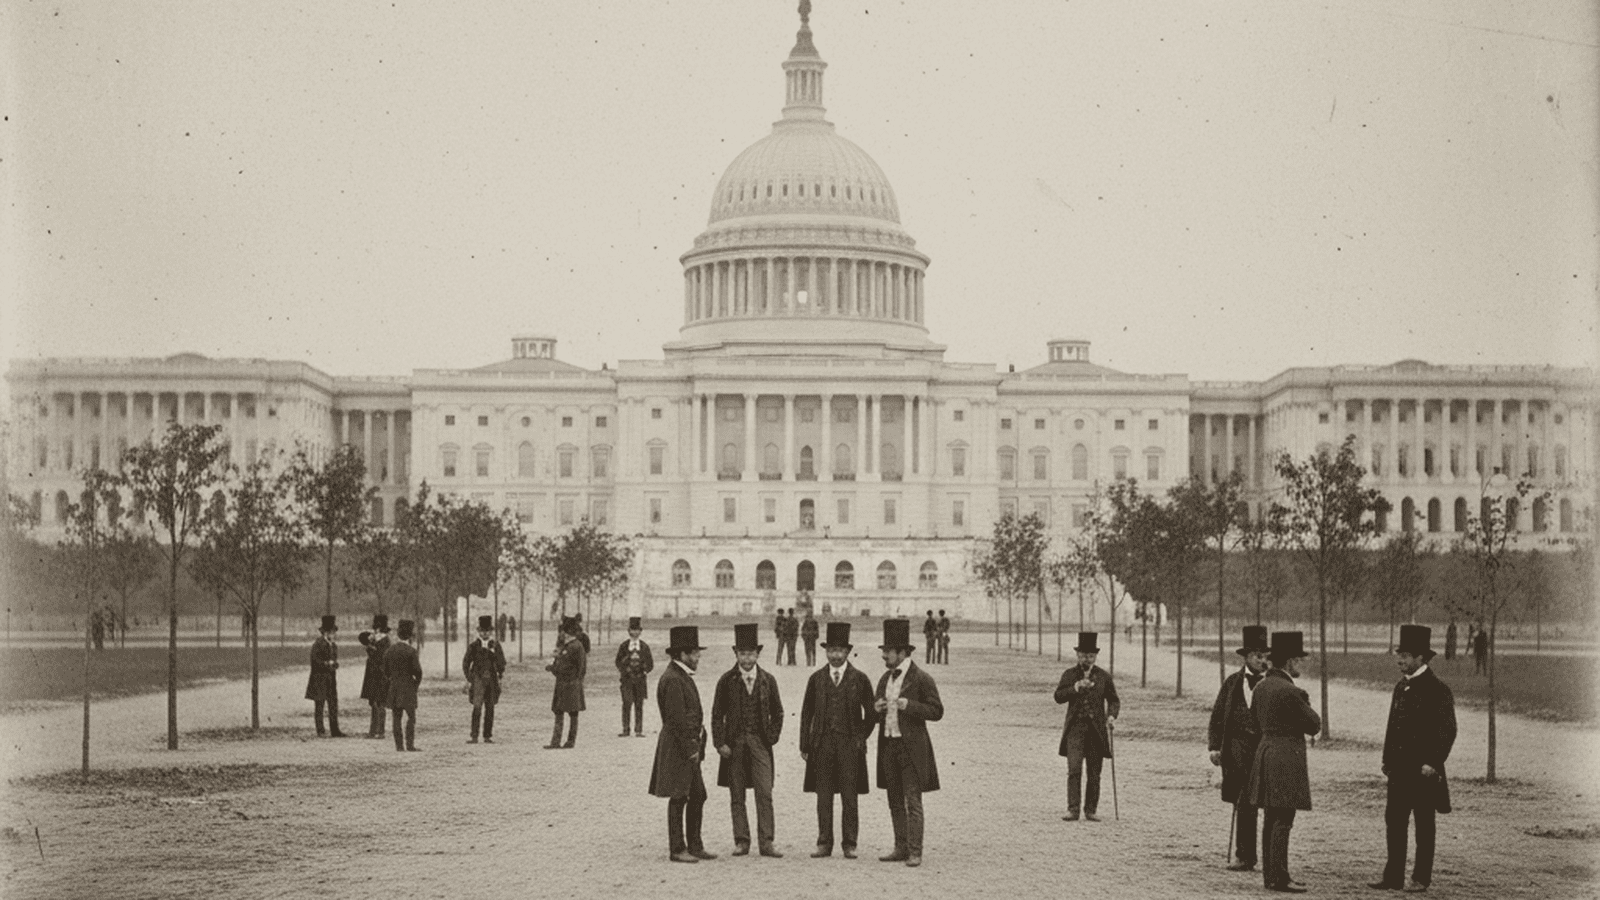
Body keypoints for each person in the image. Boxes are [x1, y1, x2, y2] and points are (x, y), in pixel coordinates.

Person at [1368, 625, 1457, 894]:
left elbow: (1448, 730)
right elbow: (1392, 726)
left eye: (1405, 655)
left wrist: (1433, 762)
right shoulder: (1400, 687)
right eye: (1399, 654)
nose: (1400, 660)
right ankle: (1393, 876)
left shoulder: (1438, 689)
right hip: (1398, 771)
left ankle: (1420, 878)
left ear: (1421, 658)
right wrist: (1387, 760)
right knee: (1394, 823)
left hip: (1423, 772)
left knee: (1423, 827)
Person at [1244, 631, 1321, 893]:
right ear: (1289, 662)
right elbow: (1314, 724)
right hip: (1286, 758)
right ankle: (1280, 877)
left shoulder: (1262, 687)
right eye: (1299, 659)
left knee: (1270, 818)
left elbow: (1253, 723)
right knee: (1284, 819)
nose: (1301, 664)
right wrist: (1305, 702)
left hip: (1265, 754)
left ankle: (1273, 875)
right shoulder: (1291, 691)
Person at [871, 617, 944, 868]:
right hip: (889, 746)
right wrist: (877, 707)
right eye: (884, 651)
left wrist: (910, 706)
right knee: (894, 801)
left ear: (902, 653)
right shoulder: (884, 679)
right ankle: (900, 847)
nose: (884, 656)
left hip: (912, 749)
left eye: (888, 652)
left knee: (913, 801)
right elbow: (875, 709)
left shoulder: (922, 678)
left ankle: (915, 851)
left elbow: (936, 711)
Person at [799, 621, 875, 859]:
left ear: (847, 652)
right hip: (821, 746)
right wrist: (805, 745)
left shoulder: (860, 679)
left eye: (839, 651)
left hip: (849, 747)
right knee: (823, 797)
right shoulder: (816, 679)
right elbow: (806, 713)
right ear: (826, 652)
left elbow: (871, 713)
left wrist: (860, 736)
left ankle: (849, 844)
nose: (835, 655)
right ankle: (824, 843)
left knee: (849, 797)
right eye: (831, 650)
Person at [712, 623, 786, 858]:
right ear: (736, 654)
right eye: (742, 653)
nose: (747, 658)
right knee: (737, 794)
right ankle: (741, 841)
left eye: (751, 653)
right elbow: (716, 714)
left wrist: (771, 738)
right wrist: (719, 742)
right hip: (734, 746)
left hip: (760, 744)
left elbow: (779, 712)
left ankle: (767, 842)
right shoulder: (726, 680)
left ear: (758, 654)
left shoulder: (768, 680)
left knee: (764, 792)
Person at [649, 625, 717, 863]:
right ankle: (677, 848)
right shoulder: (673, 679)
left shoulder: (679, 675)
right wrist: (691, 749)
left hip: (689, 748)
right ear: (683, 654)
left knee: (698, 795)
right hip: (681, 748)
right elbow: (676, 720)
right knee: (679, 796)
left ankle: (695, 845)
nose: (698, 657)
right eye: (695, 653)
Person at [1208, 625, 1270, 870]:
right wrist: (1214, 747)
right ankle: (1244, 855)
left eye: (1265, 656)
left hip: (1264, 751)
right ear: (1246, 657)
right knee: (1244, 803)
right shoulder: (1233, 683)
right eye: (1257, 656)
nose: (1262, 661)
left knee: (1267, 804)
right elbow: (1218, 716)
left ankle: (1271, 859)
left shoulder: (1271, 683)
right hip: (1237, 753)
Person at [1054, 631, 1120, 822]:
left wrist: (1111, 717)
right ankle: (1073, 809)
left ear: (1095, 656)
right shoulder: (1069, 675)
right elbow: (1058, 697)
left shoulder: (1104, 677)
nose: (1087, 659)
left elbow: (1114, 700)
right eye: (1083, 655)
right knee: (1074, 770)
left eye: (1090, 656)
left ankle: (1090, 810)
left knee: (1094, 773)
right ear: (1077, 655)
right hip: (1075, 730)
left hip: (1096, 731)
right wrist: (1074, 688)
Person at [463, 614, 507, 744]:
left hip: (492, 681)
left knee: (490, 708)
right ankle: (474, 735)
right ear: (478, 631)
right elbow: (466, 662)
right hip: (478, 681)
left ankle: (487, 735)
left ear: (491, 632)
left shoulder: (495, 645)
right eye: (482, 631)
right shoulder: (474, 646)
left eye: (487, 631)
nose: (485, 634)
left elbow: (502, 663)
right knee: (477, 707)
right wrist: (470, 678)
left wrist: (499, 672)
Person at [546, 615, 587, 749]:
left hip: (569, 684)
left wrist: (553, 668)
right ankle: (559, 741)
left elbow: (575, 667)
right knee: (562, 712)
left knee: (571, 713)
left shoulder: (574, 647)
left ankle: (567, 741)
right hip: (565, 684)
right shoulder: (570, 646)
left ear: (567, 632)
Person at [384, 619, 423, 752]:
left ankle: (399, 746)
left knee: (396, 718)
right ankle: (410, 745)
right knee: (411, 717)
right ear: (410, 636)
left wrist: (393, 680)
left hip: (394, 688)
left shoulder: (390, 651)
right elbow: (418, 672)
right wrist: (414, 686)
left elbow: (385, 671)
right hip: (408, 689)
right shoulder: (411, 652)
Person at [305, 614, 344, 737]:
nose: (334, 635)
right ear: (326, 632)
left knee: (333, 704)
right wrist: (328, 664)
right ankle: (320, 730)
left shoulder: (333, 645)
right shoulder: (318, 644)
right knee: (320, 705)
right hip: (319, 679)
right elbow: (315, 662)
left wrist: (335, 664)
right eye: (332, 632)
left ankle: (335, 729)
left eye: (334, 632)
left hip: (331, 680)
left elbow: (334, 661)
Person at [616, 616, 655, 737]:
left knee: (639, 704)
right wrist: (625, 669)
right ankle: (625, 729)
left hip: (640, 680)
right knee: (627, 703)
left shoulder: (644, 647)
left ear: (640, 631)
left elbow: (650, 664)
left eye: (637, 630)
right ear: (629, 631)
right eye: (632, 630)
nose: (635, 632)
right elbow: (617, 662)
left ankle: (638, 730)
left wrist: (644, 671)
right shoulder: (624, 646)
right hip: (627, 680)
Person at [360, 614, 392, 739]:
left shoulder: (385, 642)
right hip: (373, 675)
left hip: (380, 675)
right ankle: (373, 730)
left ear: (379, 629)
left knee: (380, 704)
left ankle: (380, 731)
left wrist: (371, 650)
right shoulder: (376, 640)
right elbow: (362, 637)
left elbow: (381, 659)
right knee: (374, 703)